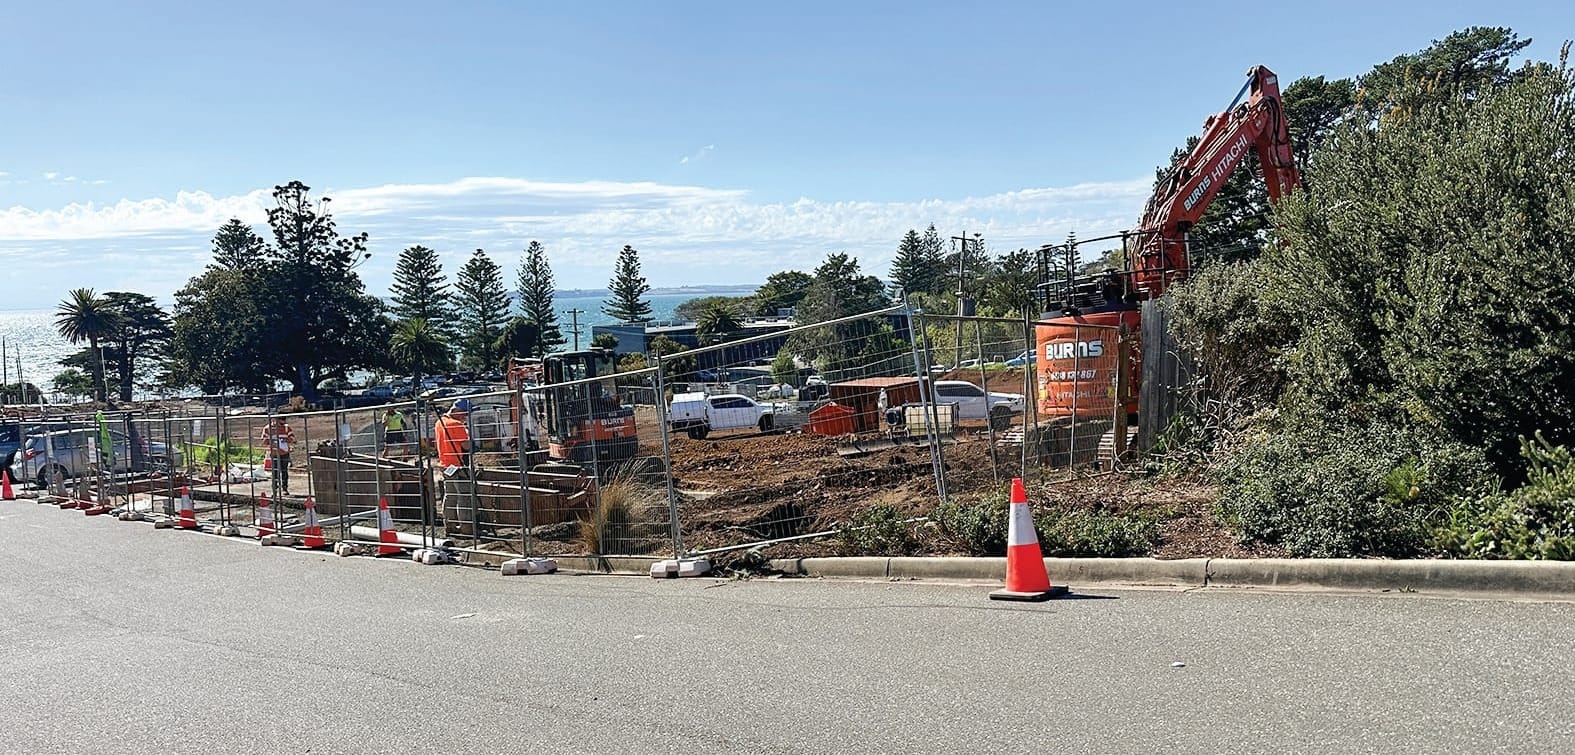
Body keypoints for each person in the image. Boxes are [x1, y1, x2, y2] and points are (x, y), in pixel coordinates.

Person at [259, 417, 295, 498]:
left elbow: (292, 438)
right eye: (281, 420)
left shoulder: (286, 427)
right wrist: (272, 441)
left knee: (284, 471)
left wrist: (285, 440)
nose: (283, 422)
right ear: (275, 420)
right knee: (275, 472)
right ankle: (274, 490)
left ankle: (284, 488)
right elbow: (264, 441)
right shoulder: (268, 428)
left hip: (284, 452)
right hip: (274, 453)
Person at [434, 399, 472, 473]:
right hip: (456, 465)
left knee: (449, 483)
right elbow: (467, 446)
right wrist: (467, 433)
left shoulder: (439, 422)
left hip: (444, 464)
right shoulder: (456, 424)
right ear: (457, 411)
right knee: (462, 484)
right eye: (465, 414)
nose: (465, 417)